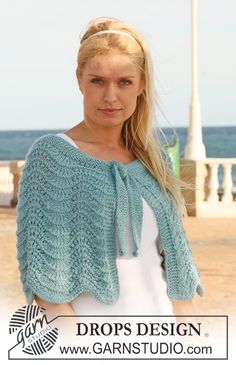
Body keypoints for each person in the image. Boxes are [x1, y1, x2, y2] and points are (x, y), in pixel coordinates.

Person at [16, 17, 203, 322]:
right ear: (79, 80)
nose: (111, 96)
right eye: (98, 81)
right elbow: (47, 291)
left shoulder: (155, 163)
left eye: (124, 82)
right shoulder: (54, 158)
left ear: (141, 84)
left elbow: (178, 279)